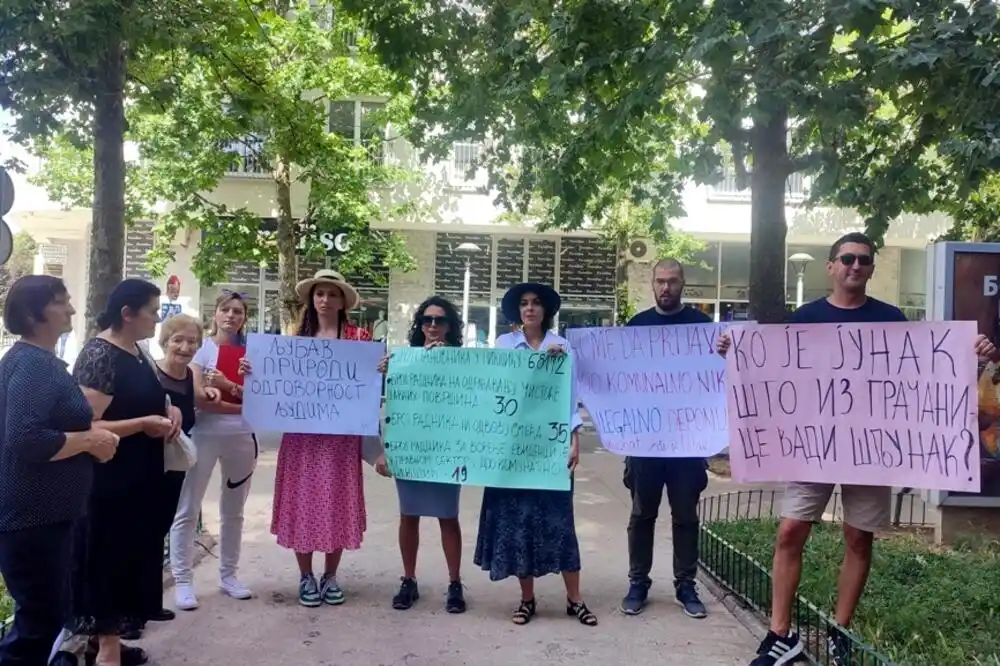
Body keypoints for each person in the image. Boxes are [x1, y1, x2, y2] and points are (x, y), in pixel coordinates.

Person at [717, 232, 998, 666]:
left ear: (870, 268)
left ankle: (840, 632)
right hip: (812, 446)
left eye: (864, 260)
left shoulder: (891, 319)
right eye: (847, 258)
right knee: (790, 531)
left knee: (858, 537)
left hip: (870, 448)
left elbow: (924, 375)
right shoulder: (803, 318)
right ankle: (780, 634)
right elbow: (770, 369)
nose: (855, 265)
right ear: (830, 266)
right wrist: (734, 353)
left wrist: (972, 355)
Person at [248, 269, 388, 607]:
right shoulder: (295, 339)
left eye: (332, 294)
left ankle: (331, 574)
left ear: (342, 302)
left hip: (341, 440)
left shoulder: (358, 340)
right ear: (312, 299)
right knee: (303, 503)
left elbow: (367, 393)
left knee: (337, 502)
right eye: (319, 294)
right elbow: (274, 382)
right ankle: (305, 574)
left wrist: (380, 370)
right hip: (302, 439)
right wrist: (252, 371)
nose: (325, 300)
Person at [0, 276, 118, 666]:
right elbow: (28, 439)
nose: (70, 308)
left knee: (43, 620)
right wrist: (90, 442)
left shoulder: (37, 362)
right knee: (36, 626)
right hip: (34, 518)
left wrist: (89, 438)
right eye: (60, 302)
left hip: (45, 516)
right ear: (34, 314)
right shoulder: (34, 366)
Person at [72, 279, 183, 666]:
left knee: (130, 558)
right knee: (107, 559)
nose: (157, 319)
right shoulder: (99, 355)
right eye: (152, 312)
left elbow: (152, 397)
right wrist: (141, 425)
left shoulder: (137, 351)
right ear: (127, 313)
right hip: (110, 481)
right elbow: (86, 425)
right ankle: (106, 650)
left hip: (141, 476)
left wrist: (170, 411)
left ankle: (108, 642)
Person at [473, 282, 596, 627]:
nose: (530, 309)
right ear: (517, 311)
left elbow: (570, 398)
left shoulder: (562, 346)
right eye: (524, 304)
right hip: (512, 451)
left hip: (550, 448)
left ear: (545, 310)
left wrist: (575, 438)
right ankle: (527, 599)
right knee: (518, 524)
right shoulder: (503, 345)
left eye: (536, 303)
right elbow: (496, 390)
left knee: (560, 522)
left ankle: (575, 599)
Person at [620, 258, 712, 619]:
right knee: (642, 514)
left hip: (688, 443)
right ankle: (638, 582)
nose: (666, 288)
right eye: (660, 281)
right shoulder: (637, 326)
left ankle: (685, 584)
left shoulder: (702, 327)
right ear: (652, 284)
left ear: (683, 283)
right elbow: (619, 381)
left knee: (686, 516)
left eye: (673, 281)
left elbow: (718, 379)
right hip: (645, 441)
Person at [376, 295, 466, 613]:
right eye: (427, 320)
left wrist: (449, 362)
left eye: (439, 320)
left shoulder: (464, 361)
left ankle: (455, 583)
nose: (432, 326)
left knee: (448, 517)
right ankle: (409, 580)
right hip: (411, 448)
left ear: (450, 326)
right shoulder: (404, 360)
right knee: (409, 515)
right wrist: (386, 371)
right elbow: (391, 409)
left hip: (446, 450)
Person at [170, 292, 257, 610]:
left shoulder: (253, 352)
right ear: (215, 313)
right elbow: (199, 399)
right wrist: (241, 400)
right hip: (204, 434)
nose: (231, 316)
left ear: (244, 317)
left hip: (243, 438)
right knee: (188, 508)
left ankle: (229, 576)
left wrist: (227, 388)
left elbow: (264, 399)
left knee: (234, 511)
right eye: (226, 310)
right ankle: (182, 579)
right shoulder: (202, 349)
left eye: (238, 311)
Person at [153, 316, 222, 615]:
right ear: (165, 340)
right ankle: (127, 616)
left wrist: (213, 391)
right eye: (178, 339)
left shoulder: (186, 376)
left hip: (175, 462)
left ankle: (147, 601)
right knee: (139, 532)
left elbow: (199, 396)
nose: (185, 347)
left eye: (192, 341)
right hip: (148, 463)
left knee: (159, 528)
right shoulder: (152, 373)